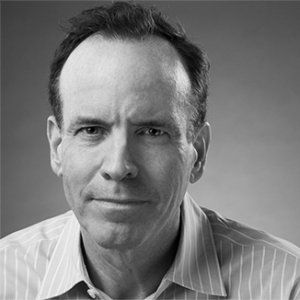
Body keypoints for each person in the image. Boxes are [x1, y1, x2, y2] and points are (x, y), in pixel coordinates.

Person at [1, 2, 299, 299]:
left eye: (152, 132)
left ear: (198, 152)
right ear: (57, 147)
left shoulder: (287, 285)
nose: (118, 167)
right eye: (91, 130)